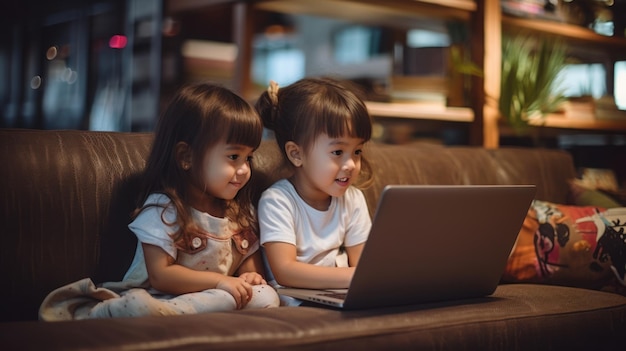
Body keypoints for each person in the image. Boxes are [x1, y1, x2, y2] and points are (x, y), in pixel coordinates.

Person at [39, 83, 279, 320]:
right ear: (186, 157)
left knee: (266, 296)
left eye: (248, 158)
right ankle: (120, 311)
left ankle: (192, 315)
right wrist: (220, 282)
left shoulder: (240, 214)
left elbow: (251, 272)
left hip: (213, 299)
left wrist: (250, 279)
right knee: (144, 305)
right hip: (159, 297)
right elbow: (161, 276)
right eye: (234, 157)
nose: (244, 170)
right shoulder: (165, 209)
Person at [255, 77, 374, 295]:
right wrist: (353, 276)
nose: (351, 165)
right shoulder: (278, 201)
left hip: (339, 293)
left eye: (357, 151)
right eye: (338, 152)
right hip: (294, 297)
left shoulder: (353, 199)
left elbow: (364, 264)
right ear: (296, 154)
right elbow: (285, 271)